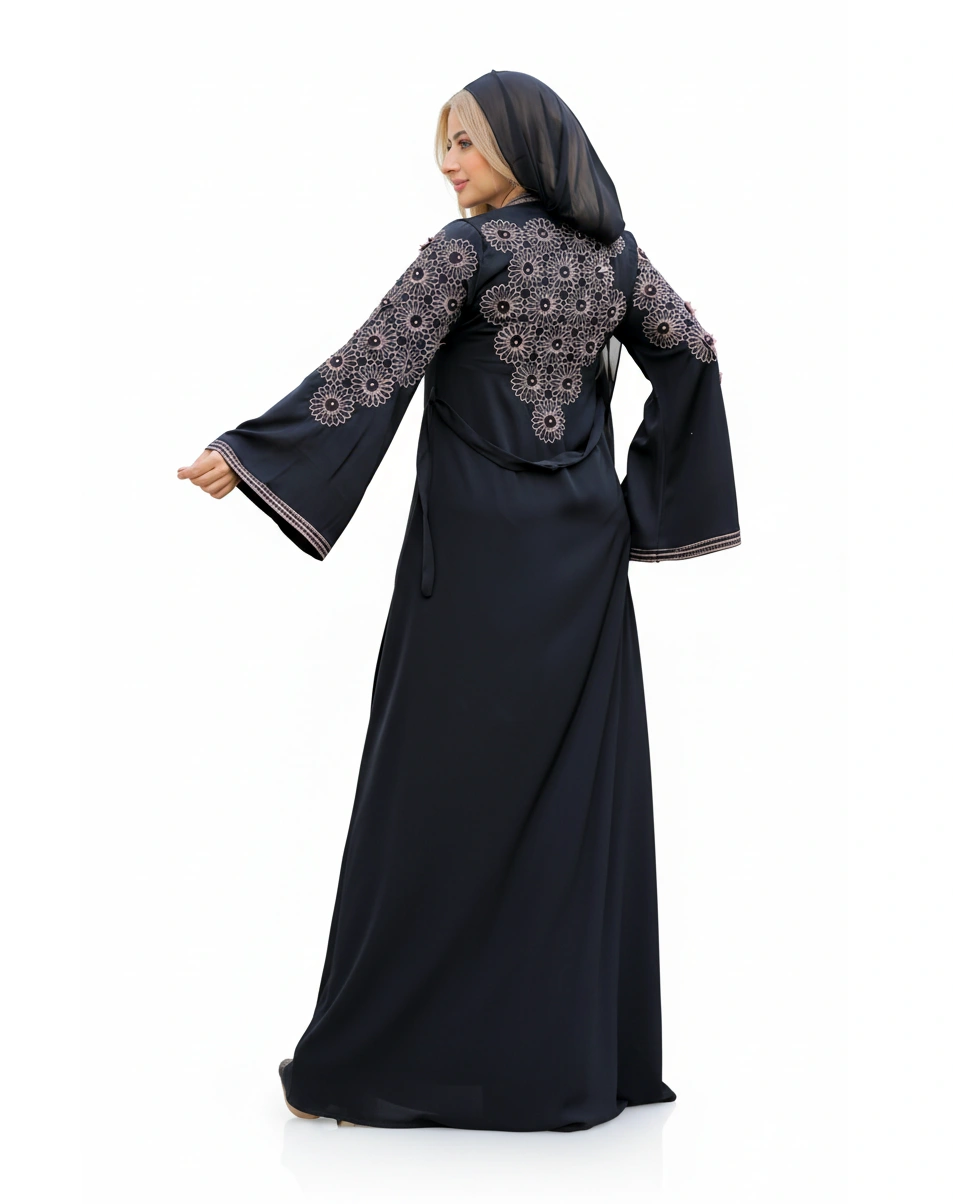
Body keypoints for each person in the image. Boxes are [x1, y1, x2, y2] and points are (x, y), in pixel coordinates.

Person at [177, 69, 740, 1132]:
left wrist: (253, 455)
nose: (448, 164)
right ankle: (556, 1061)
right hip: (581, 563)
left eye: (468, 143)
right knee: (563, 799)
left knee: (432, 796)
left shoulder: (466, 252)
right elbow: (694, 355)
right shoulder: (614, 257)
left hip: (473, 562)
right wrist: (643, 505)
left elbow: (370, 367)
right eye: (443, 143)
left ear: (524, 146)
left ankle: (393, 1054)